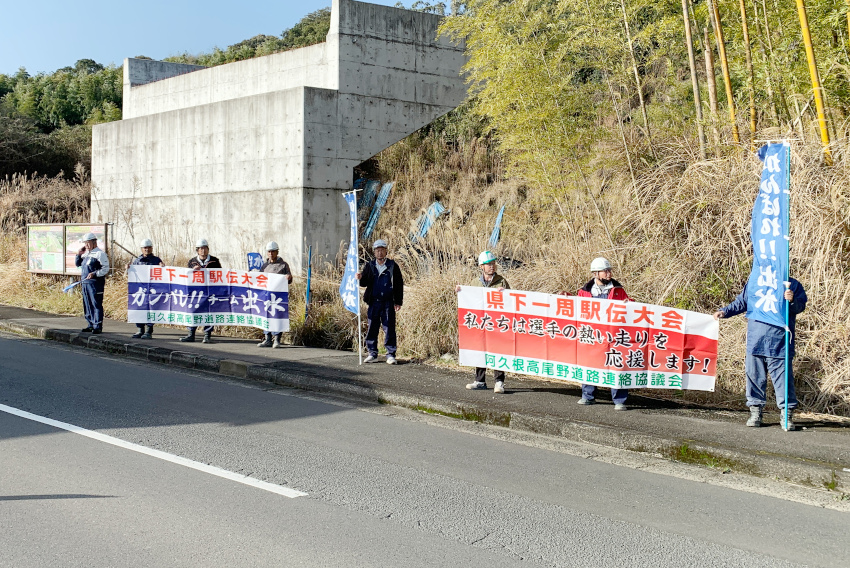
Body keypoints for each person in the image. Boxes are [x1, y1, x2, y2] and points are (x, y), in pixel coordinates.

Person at [714, 279, 807, 430]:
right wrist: (725, 311)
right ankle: (755, 413)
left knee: (783, 381)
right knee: (754, 377)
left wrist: (792, 300)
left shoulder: (792, 283)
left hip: (780, 342)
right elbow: (742, 302)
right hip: (755, 340)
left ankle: (786, 416)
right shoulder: (755, 280)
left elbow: (800, 306)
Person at [576, 257, 633, 410]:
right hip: (593, 334)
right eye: (605, 271)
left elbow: (630, 309)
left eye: (609, 271)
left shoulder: (618, 290)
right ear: (596, 273)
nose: (609, 274)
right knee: (590, 364)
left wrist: (630, 304)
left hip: (613, 335)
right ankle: (588, 396)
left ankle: (619, 400)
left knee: (616, 364)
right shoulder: (584, 292)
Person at [456, 251, 509, 394]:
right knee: (480, 349)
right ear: (481, 266)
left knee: (498, 350)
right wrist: (461, 291)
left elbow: (511, 300)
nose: (492, 266)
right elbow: (469, 299)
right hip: (480, 322)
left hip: (496, 322)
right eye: (488, 264)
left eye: (493, 263)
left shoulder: (501, 281)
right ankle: (480, 381)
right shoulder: (475, 282)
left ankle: (499, 381)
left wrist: (505, 293)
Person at [356, 239, 404, 364]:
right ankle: (372, 353)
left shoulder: (393, 266)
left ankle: (390, 354)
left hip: (388, 302)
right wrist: (360, 278)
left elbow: (399, 284)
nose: (380, 253)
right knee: (372, 327)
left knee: (389, 328)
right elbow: (364, 283)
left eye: (382, 250)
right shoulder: (370, 265)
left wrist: (398, 301)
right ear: (374, 252)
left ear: (386, 251)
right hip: (374, 302)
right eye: (377, 250)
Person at [180, 239, 222, 343]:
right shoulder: (192, 261)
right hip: (196, 292)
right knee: (193, 311)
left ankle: (207, 335)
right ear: (197, 250)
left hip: (209, 291)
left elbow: (220, 274)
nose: (203, 251)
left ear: (208, 249)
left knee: (209, 313)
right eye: (200, 249)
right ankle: (191, 334)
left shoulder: (214, 261)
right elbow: (187, 275)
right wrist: (193, 269)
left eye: (205, 248)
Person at [257, 241, 293, 349]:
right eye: (269, 251)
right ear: (267, 253)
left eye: (273, 251)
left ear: (277, 252)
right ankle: (267, 338)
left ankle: (277, 339)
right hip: (266, 296)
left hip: (278, 296)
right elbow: (259, 280)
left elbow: (289, 278)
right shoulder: (264, 266)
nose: (271, 253)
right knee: (266, 316)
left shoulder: (283, 265)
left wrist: (289, 277)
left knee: (278, 316)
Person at [75, 232, 109, 334]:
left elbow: (105, 268)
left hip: (95, 284)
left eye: (88, 243)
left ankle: (97, 325)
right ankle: (90, 324)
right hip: (85, 283)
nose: (87, 245)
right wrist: (78, 254)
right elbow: (78, 264)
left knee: (96, 304)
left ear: (94, 242)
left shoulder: (100, 254)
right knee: (87, 304)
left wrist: (95, 273)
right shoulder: (86, 254)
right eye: (85, 243)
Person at [128, 238, 163, 339]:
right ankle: (140, 329)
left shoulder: (156, 260)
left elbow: (162, 272)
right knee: (139, 308)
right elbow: (132, 273)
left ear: (152, 248)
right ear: (141, 249)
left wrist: (162, 267)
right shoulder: (137, 261)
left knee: (150, 309)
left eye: (148, 247)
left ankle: (149, 331)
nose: (146, 249)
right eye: (144, 248)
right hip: (140, 290)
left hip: (152, 289)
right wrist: (129, 268)